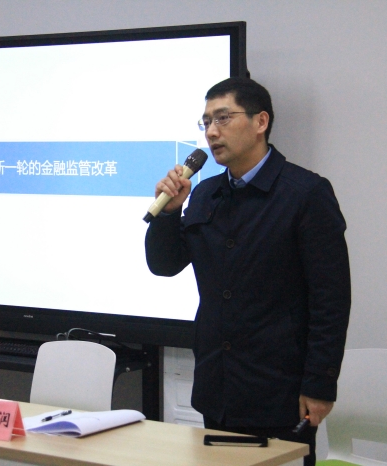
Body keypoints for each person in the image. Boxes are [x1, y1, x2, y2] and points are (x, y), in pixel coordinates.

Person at [144, 77, 350, 465]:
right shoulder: (204, 194)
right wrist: (168, 214)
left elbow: (331, 300)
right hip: (217, 387)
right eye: (206, 122)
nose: (212, 132)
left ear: (260, 122)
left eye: (223, 118)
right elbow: (164, 265)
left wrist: (320, 385)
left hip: (280, 391)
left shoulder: (305, 193)